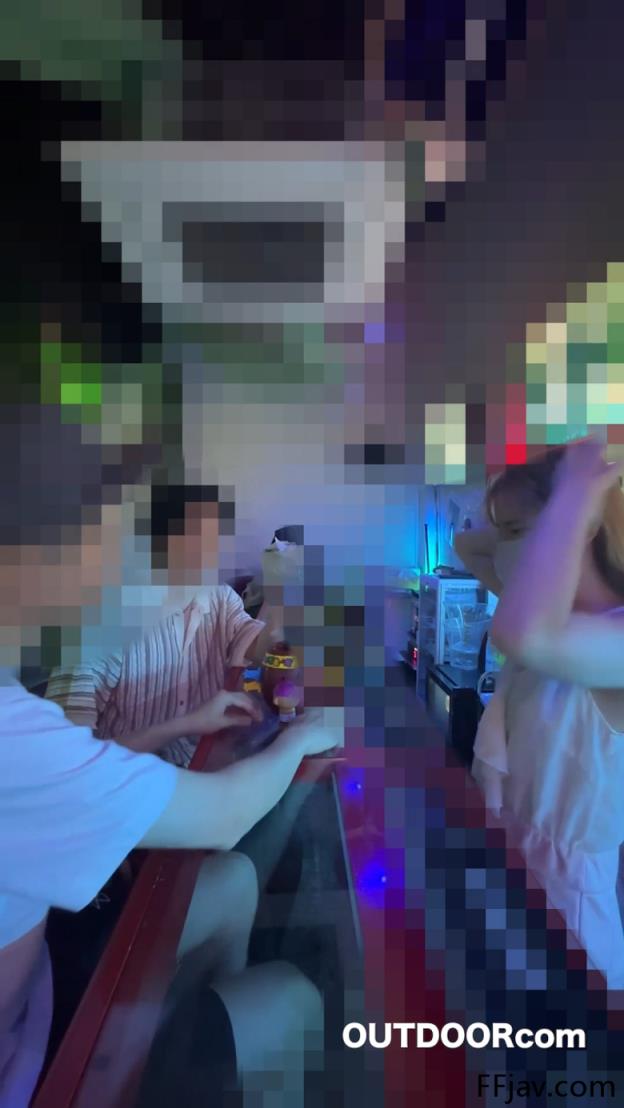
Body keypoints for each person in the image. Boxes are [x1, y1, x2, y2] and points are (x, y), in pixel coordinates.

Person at [0, 433, 338, 1107]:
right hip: (59, 1020)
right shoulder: (94, 635)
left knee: (236, 879)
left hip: (53, 962)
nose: (209, 553)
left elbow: (257, 647)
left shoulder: (210, 600)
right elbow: (81, 754)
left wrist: (279, 614)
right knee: (293, 991)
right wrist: (301, 739)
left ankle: (198, 1020)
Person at [458, 439, 624, 988]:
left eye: (516, 531)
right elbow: (466, 546)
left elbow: (523, 634)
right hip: (514, 878)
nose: (505, 549)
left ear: (581, 526)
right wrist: (538, 521)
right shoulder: (555, 616)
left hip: (569, 916)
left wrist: (575, 497)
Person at [45, 481, 280, 767]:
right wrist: (187, 724)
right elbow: (68, 760)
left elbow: (260, 645)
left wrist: (286, 596)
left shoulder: (217, 597)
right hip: (124, 780)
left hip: (197, 765)